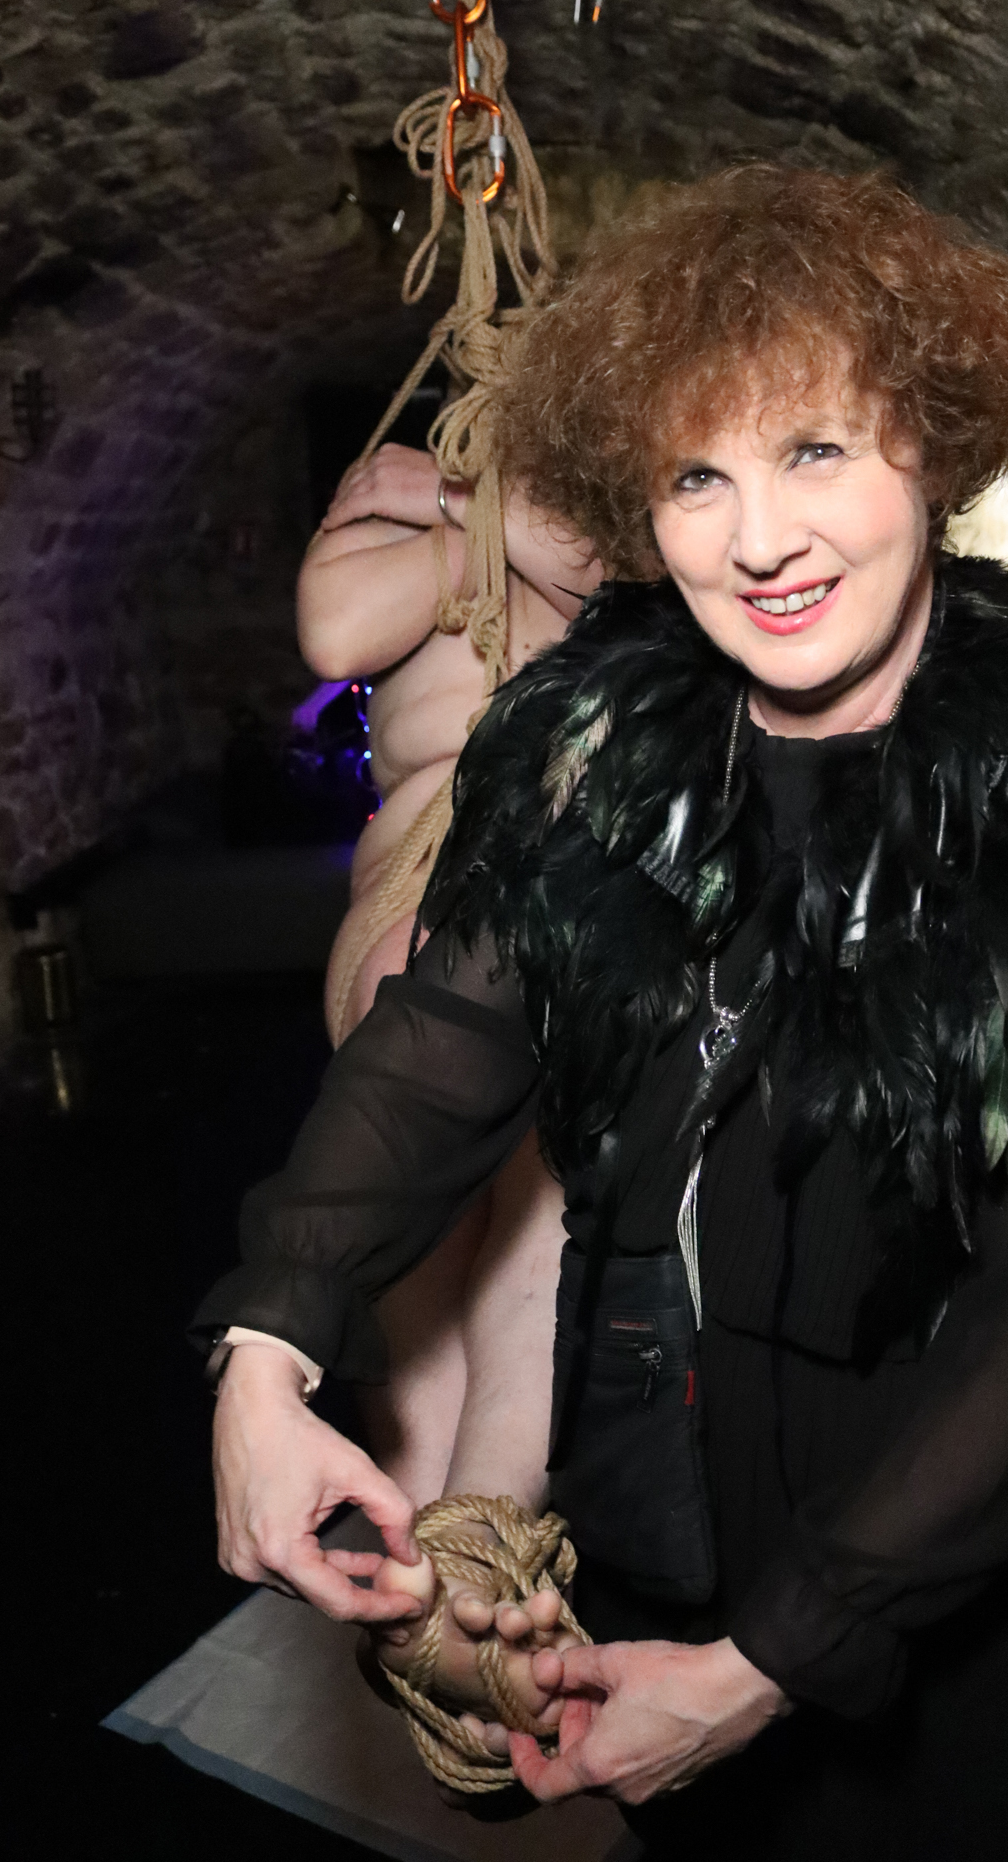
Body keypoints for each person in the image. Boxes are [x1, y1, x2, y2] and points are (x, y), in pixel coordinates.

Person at [195, 166, 1008, 1857]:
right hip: (684, 1478)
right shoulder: (601, 749)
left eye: (813, 451)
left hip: (976, 1524)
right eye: (698, 475)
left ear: (929, 445)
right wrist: (267, 1354)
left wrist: (772, 1662)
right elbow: (442, 1045)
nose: (757, 540)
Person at [292, 447, 600, 1510]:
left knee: (533, 1237)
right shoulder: (381, 501)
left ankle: (470, 1538)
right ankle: (441, 1537)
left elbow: (620, 569)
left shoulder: (611, 513)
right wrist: (475, 526)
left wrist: (458, 506)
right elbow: (333, 631)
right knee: (415, 1252)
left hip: (550, 899)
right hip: (417, 892)